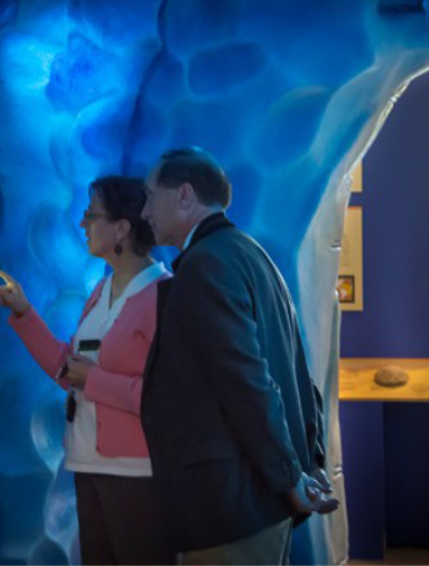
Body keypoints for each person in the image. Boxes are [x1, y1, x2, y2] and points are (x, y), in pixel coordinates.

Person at [140, 147, 337, 565]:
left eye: (150, 196)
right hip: (261, 502)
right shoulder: (251, 254)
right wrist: (308, 460)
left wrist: (289, 475)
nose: (144, 212)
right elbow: (299, 373)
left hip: (232, 507)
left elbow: (247, 380)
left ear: (184, 195)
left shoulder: (205, 265)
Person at [0, 176, 173, 565]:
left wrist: (95, 381)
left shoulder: (165, 296)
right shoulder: (102, 290)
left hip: (137, 472)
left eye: (92, 215)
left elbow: (166, 397)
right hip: (88, 461)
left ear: (122, 227)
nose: (82, 224)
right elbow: (70, 370)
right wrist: (23, 312)